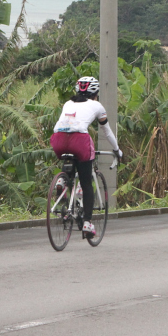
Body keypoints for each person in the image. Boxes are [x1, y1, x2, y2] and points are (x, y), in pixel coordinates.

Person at [50, 77, 122, 237]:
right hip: (79, 141)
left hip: (58, 140)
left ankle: (63, 180)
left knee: (70, 157)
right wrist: (117, 150)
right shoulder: (97, 105)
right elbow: (107, 131)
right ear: (96, 93)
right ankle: (88, 224)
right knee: (86, 182)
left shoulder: (68, 103)